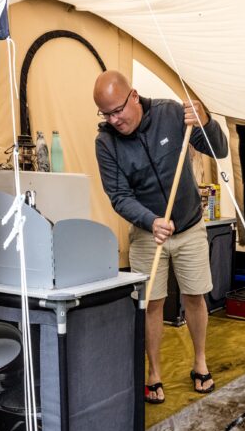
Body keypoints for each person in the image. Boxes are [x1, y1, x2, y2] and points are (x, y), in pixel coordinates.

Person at [93, 70, 229, 405]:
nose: (114, 119)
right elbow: (119, 196)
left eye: (118, 110)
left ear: (134, 96)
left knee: (195, 296)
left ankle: (199, 362)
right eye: (106, 114)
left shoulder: (171, 114)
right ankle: (154, 372)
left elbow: (220, 149)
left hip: (189, 226)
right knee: (152, 303)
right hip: (146, 233)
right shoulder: (106, 143)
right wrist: (150, 221)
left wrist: (206, 121)